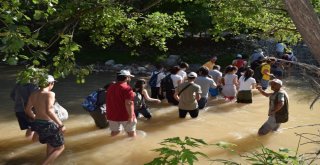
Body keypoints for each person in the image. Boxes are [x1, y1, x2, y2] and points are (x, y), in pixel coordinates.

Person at [25, 75, 65, 165]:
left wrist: (36, 118)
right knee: (60, 148)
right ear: (50, 83)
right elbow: (49, 111)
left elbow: (27, 110)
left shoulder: (33, 94)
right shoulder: (50, 94)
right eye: (53, 83)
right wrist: (61, 125)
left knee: (50, 145)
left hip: (38, 124)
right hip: (48, 124)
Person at [106, 70, 137, 137]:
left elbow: (115, 98)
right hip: (125, 116)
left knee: (115, 132)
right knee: (131, 134)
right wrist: (131, 116)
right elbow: (128, 103)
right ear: (126, 78)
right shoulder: (127, 88)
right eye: (129, 77)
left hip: (112, 115)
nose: (130, 79)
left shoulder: (110, 87)